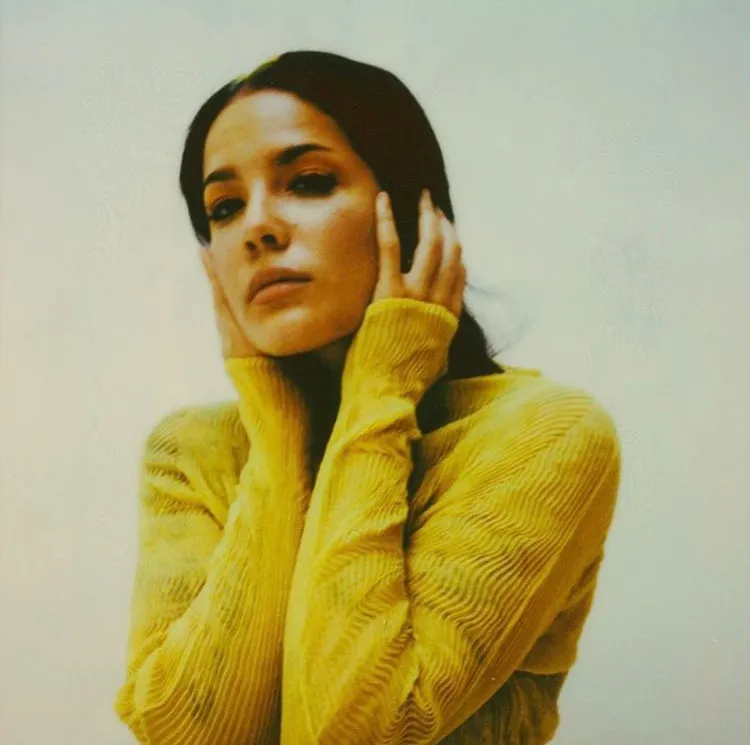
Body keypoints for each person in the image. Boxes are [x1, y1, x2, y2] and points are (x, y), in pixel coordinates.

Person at [113, 50, 621, 745]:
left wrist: (382, 386)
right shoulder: (189, 451)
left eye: (309, 182)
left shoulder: (545, 432)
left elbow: (358, 730)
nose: (257, 227)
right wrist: (278, 434)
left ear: (414, 213)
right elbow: (186, 735)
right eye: (224, 207)